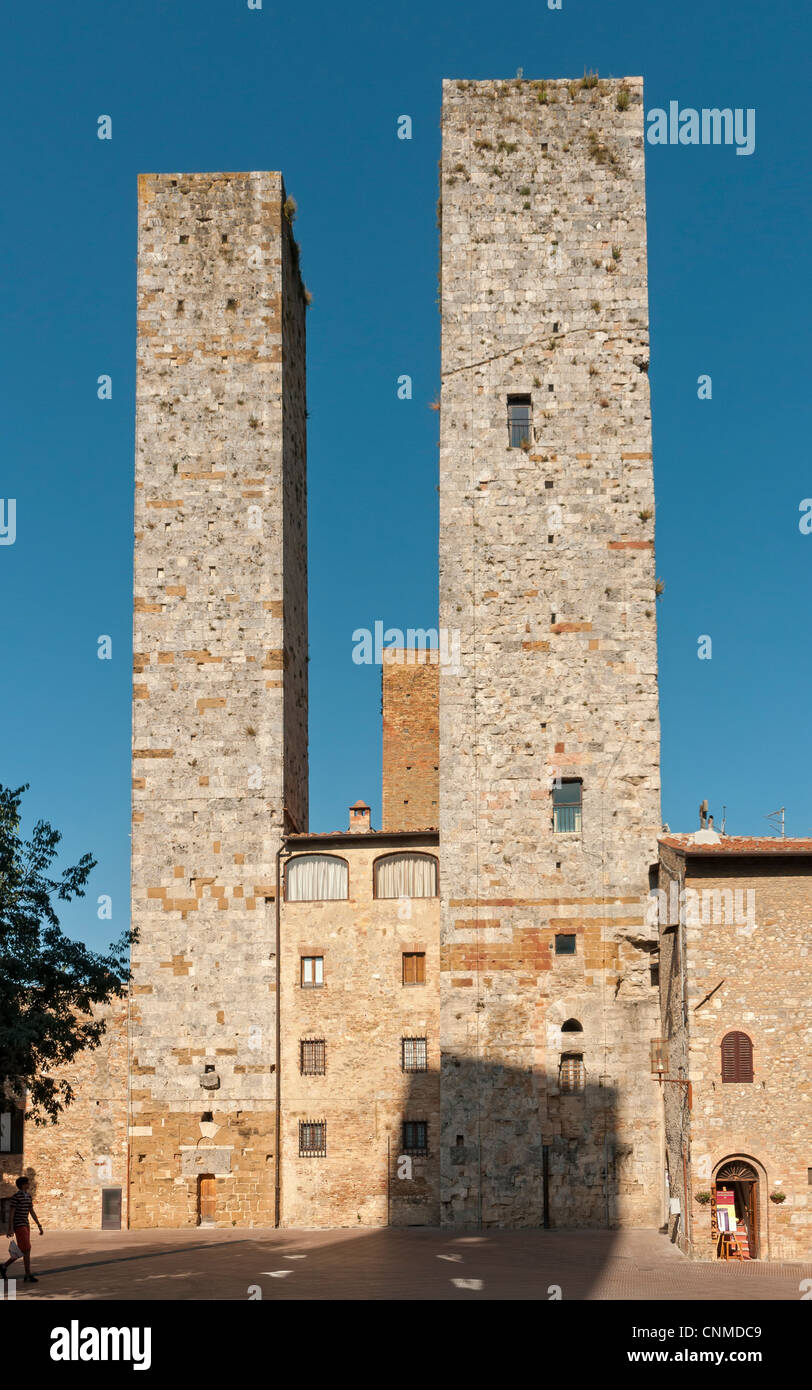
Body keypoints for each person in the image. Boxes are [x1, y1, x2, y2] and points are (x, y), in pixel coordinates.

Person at [0, 1176, 43, 1283]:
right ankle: (26, 1274)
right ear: (23, 1185)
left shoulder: (28, 1196)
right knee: (26, 1249)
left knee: (25, 1251)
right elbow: (12, 1213)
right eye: (27, 1183)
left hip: (26, 1225)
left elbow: (32, 1212)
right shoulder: (16, 1197)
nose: (29, 1184)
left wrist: (39, 1225)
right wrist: (10, 1228)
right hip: (19, 1225)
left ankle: (6, 1267)